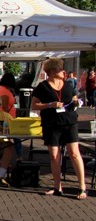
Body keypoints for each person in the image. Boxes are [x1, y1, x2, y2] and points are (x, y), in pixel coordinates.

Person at [30, 58, 87, 199]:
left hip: (69, 122)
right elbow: (34, 105)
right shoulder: (42, 87)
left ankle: (82, 187)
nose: (64, 71)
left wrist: (75, 102)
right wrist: (50, 105)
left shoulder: (67, 85)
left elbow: (74, 98)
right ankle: (57, 187)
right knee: (54, 156)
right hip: (51, 124)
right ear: (53, 71)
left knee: (74, 153)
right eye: (61, 69)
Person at [0, 72, 22, 161]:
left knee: (9, 139)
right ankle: (18, 156)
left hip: (7, 118)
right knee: (14, 138)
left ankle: (8, 157)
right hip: (8, 119)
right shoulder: (4, 91)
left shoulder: (1, 89)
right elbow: (5, 108)